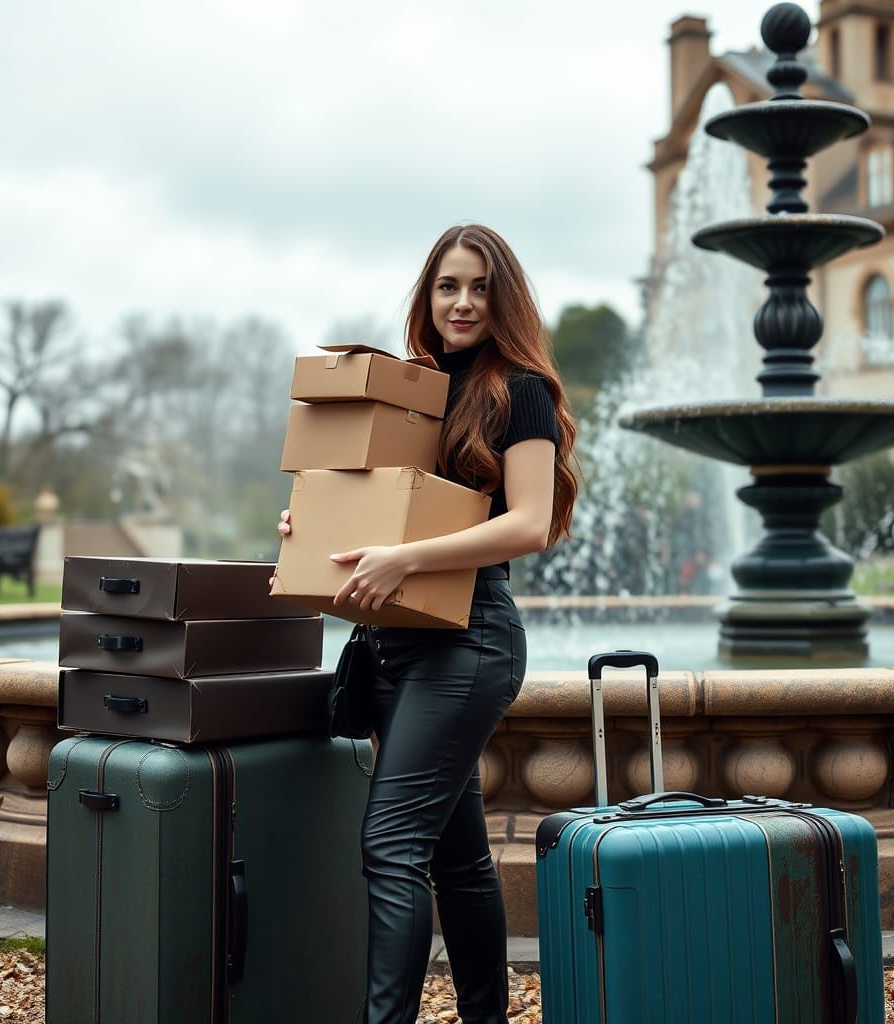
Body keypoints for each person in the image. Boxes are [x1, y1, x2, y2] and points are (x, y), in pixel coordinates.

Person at [275, 224, 578, 1024]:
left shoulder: (522, 391)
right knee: (457, 858)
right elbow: (376, 509)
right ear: (428, 295)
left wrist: (405, 560)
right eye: (449, 286)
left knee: (390, 845)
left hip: (469, 642)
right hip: (393, 647)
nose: (463, 302)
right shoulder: (415, 388)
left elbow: (529, 525)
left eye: (480, 287)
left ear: (502, 298)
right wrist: (311, 525)